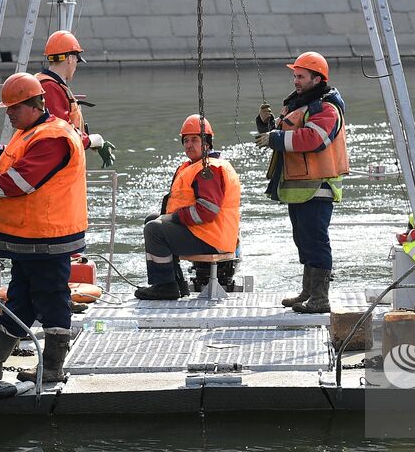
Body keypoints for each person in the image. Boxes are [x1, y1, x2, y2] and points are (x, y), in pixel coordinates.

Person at [0, 72, 87, 385]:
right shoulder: (33, 132)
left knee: (52, 299)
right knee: (21, 300)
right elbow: (14, 164)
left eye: (13, 108)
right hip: (31, 238)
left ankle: (51, 368)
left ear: (34, 105)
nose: (9, 114)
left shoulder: (51, 138)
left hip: (48, 239)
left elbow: (20, 181)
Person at [255, 51, 348, 314]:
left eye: (301, 76)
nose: (295, 81)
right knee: (304, 239)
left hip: (317, 186)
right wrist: (266, 125)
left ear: (317, 78)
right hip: (300, 186)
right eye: (294, 75)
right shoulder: (301, 104)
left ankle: (321, 299)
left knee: (316, 240)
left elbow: (314, 139)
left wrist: (273, 137)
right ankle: (309, 292)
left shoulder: (327, 108)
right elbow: (285, 134)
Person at [135, 115, 242, 301]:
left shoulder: (208, 170)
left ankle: (165, 286)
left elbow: (207, 210)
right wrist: (169, 217)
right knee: (152, 220)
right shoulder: (194, 166)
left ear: (207, 144)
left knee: (154, 229)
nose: (189, 145)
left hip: (211, 237)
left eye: (194, 140)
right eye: (186, 140)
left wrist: (174, 218)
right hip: (205, 231)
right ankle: (176, 283)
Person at [39, 30, 115, 168]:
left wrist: (92, 143)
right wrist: (95, 141)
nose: (76, 66)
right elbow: (63, 134)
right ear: (70, 59)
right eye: (77, 60)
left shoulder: (50, 85)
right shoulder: (50, 88)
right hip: (57, 172)